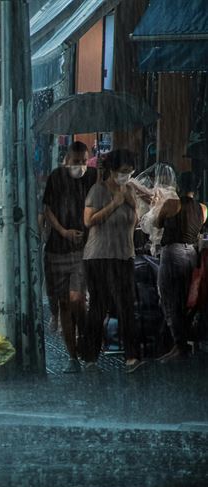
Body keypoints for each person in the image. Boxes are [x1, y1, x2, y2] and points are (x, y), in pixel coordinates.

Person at [81, 149, 144, 373]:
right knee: (99, 306)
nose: (126, 176)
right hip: (99, 256)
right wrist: (114, 203)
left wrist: (132, 203)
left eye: (130, 171)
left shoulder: (130, 191)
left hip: (124, 255)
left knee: (127, 306)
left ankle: (132, 357)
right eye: (123, 171)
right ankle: (90, 357)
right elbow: (89, 221)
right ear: (112, 170)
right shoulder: (97, 190)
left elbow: (135, 222)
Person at [41, 141, 98, 373]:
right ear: (66, 160)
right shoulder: (56, 177)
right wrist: (63, 231)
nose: (81, 166)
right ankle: (72, 356)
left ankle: (86, 341)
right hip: (57, 248)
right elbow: (47, 209)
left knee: (77, 299)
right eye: (76, 162)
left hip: (83, 249)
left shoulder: (93, 176)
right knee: (65, 303)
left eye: (84, 161)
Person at [155, 172, 208, 363]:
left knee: (170, 299)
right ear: (198, 186)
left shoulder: (172, 204)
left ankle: (179, 346)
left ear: (178, 186)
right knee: (188, 300)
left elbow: (157, 222)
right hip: (191, 255)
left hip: (173, 253)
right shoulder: (203, 208)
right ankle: (182, 344)